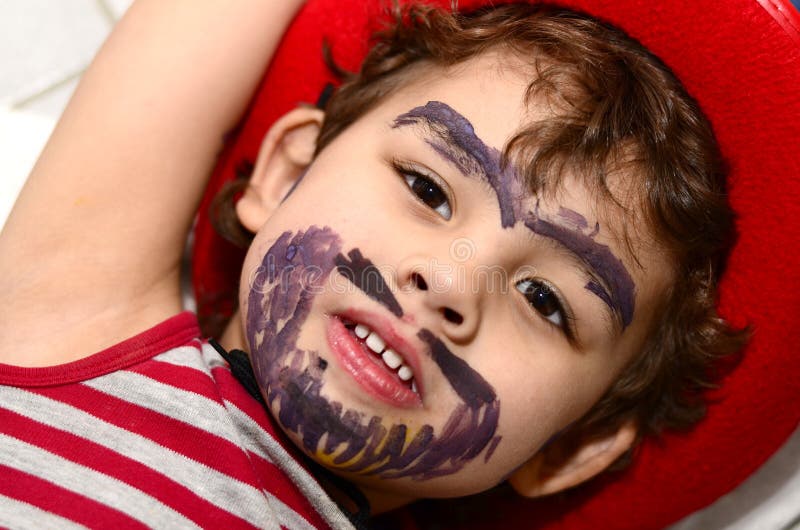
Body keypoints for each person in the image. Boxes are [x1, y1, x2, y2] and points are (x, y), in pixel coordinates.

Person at [0, 1, 747, 528]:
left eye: (545, 299)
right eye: (428, 188)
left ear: (572, 447)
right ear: (287, 175)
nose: (452, 281)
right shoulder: (79, 318)